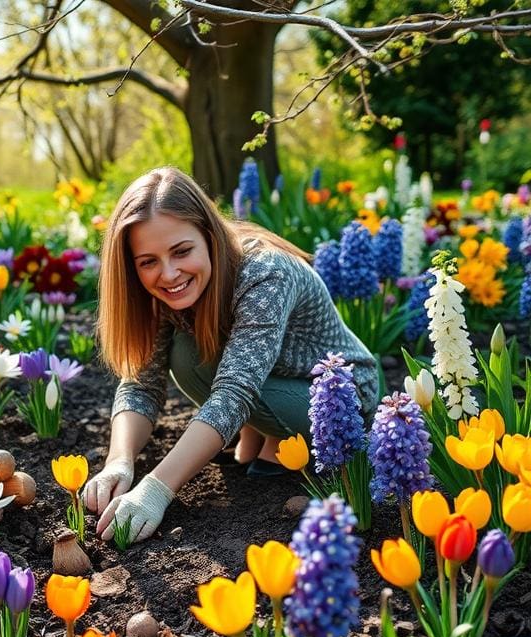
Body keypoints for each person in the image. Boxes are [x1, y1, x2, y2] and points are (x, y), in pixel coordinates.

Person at [83, 167, 377, 544]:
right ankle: (262, 434)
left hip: (338, 397)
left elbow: (234, 393)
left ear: (209, 234)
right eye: (148, 261)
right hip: (268, 378)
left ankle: (272, 439)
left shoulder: (265, 271)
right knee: (186, 356)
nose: (169, 273)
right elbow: (141, 383)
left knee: (208, 366)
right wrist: (119, 461)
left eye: (181, 251)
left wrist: (156, 488)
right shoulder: (162, 289)